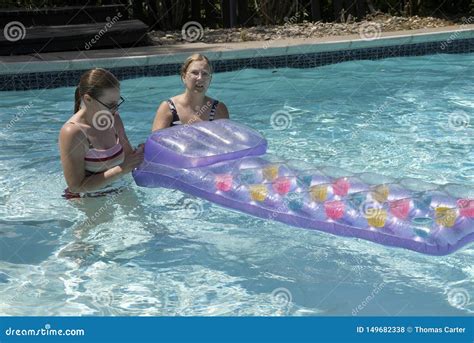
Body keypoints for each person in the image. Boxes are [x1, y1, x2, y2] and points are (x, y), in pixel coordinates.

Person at [59, 68, 144, 199]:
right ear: (88, 99)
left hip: (120, 190)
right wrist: (121, 169)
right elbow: (75, 186)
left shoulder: (114, 119)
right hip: (89, 199)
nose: (115, 109)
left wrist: (142, 152)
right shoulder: (73, 132)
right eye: (110, 104)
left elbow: (128, 157)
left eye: (118, 102)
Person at [152, 54, 229, 131]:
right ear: (184, 77)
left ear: (210, 79)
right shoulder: (168, 108)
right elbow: (155, 141)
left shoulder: (219, 109)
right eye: (194, 73)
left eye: (205, 73)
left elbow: (228, 141)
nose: (200, 78)